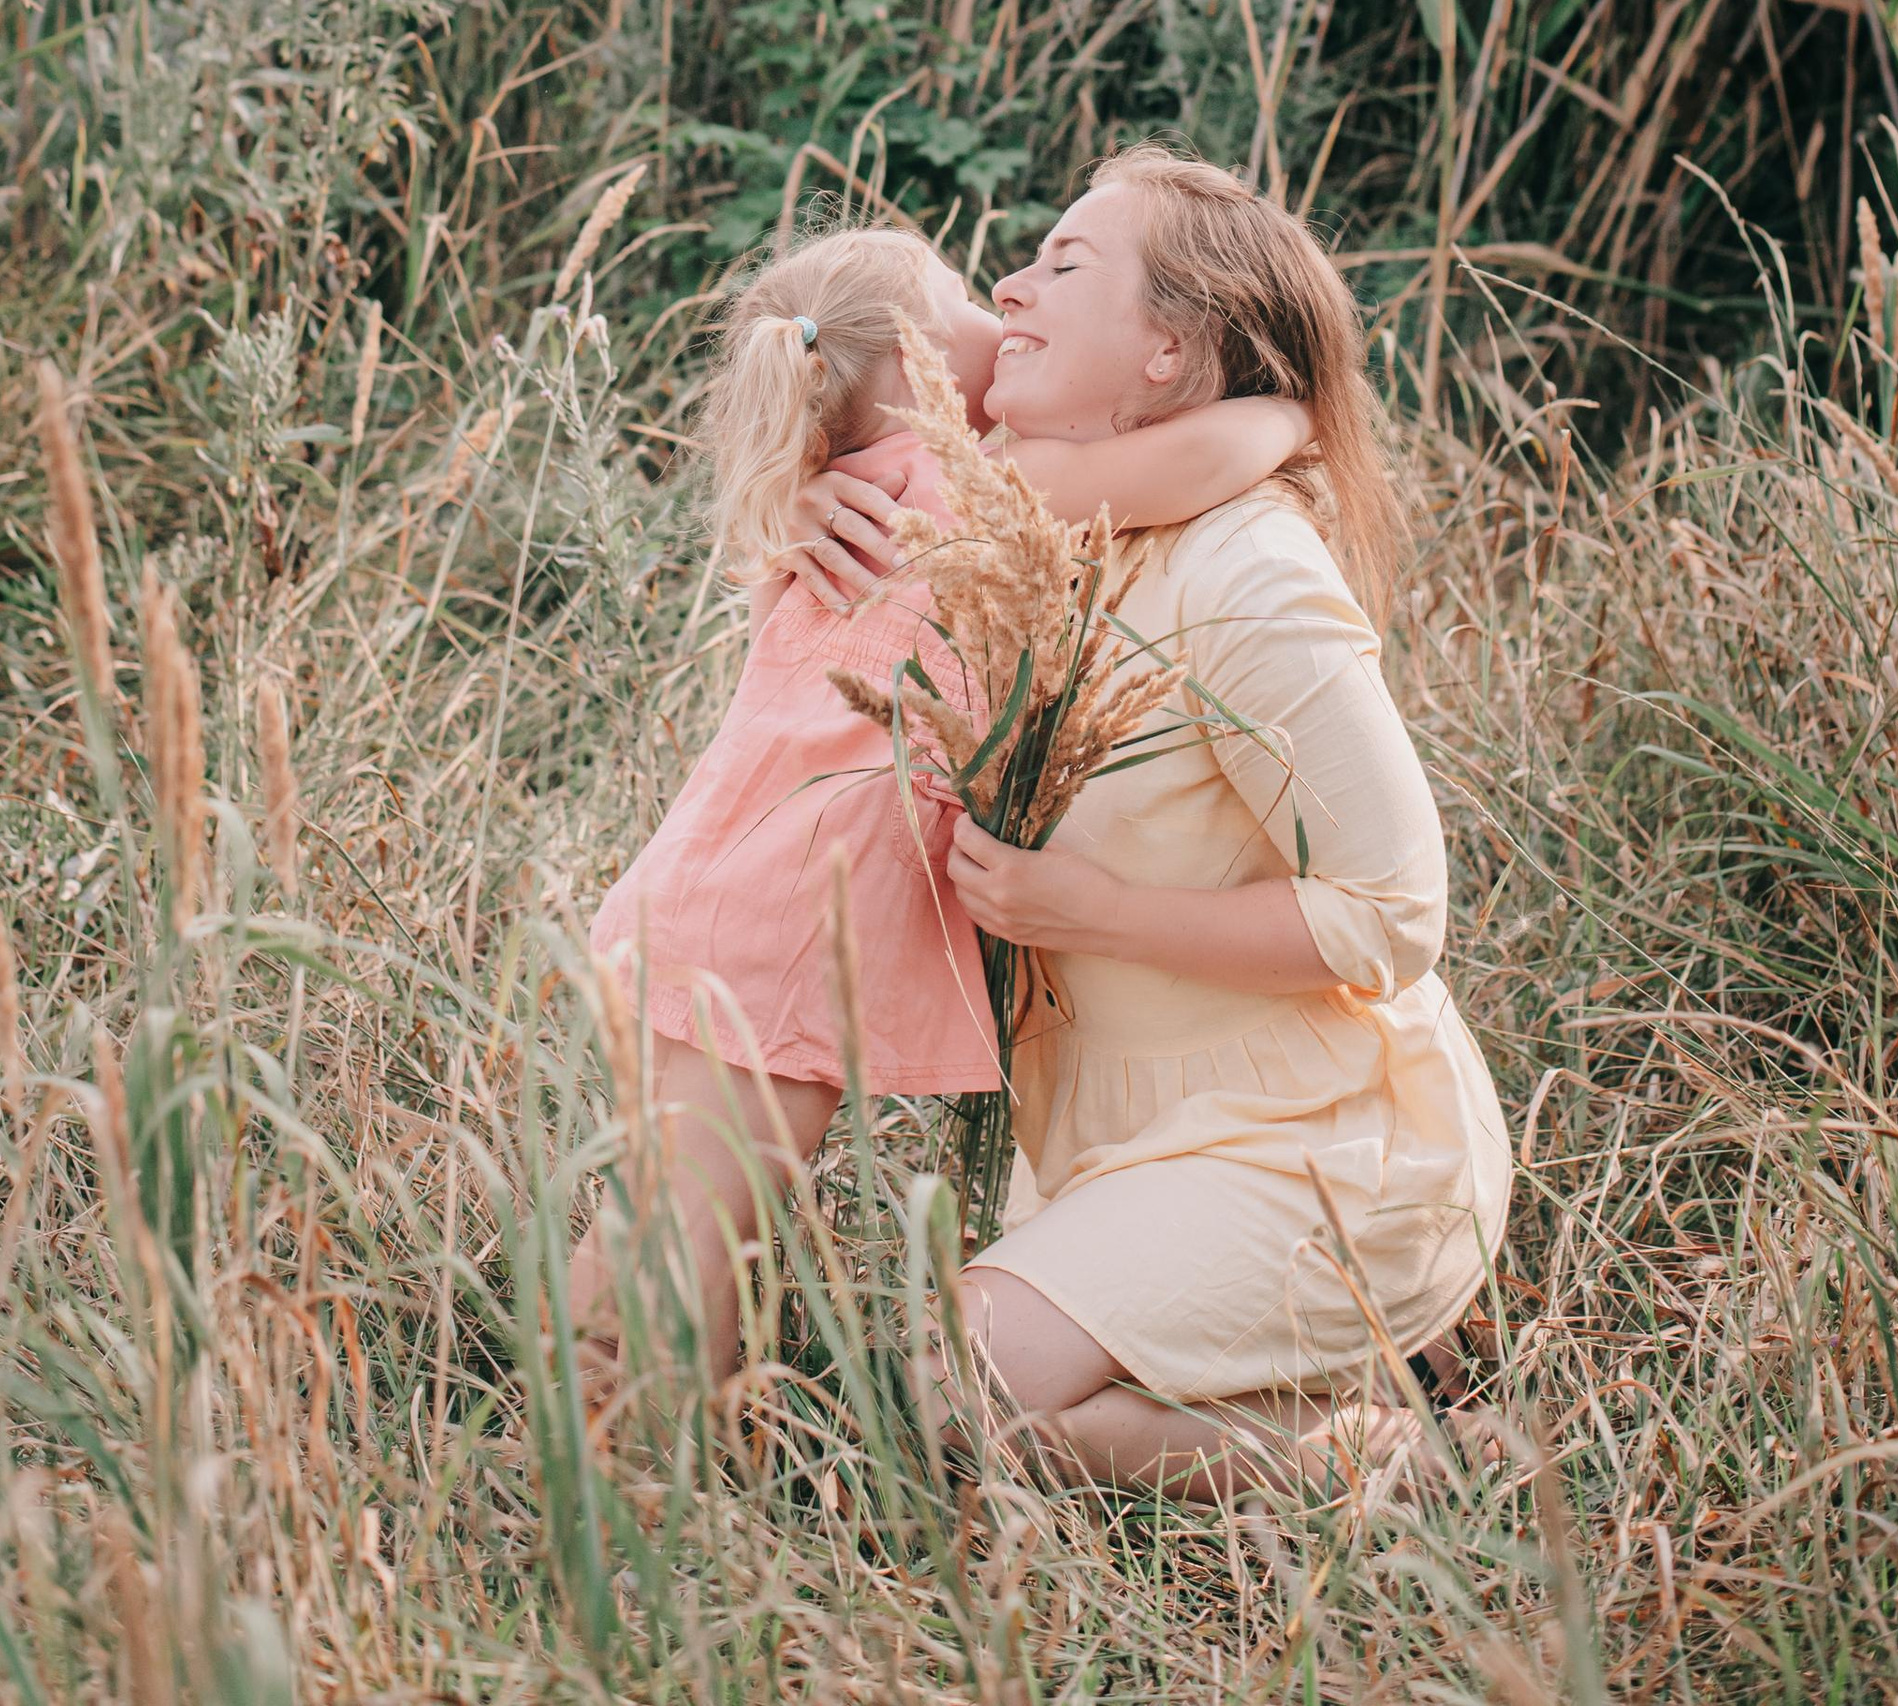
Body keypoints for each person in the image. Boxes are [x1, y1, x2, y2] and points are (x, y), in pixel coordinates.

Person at [785, 149, 1512, 1500]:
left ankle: (1389, 1457)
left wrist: (1092, 913)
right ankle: (1312, 1367)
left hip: (1315, 1135)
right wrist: (809, 492)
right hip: (1114, 1134)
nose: (1010, 280)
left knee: (949, 1400)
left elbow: (1396, 912)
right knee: (936, 1394)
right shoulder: (1033, 525)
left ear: (1170, 347)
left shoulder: (1245, 568)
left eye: (1066, 262)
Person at [573, 220, 1314, 1383]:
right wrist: (1291, 413)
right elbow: (1197, 464)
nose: (1004, 309)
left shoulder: (834, 488)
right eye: (968, 298)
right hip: (795, 905)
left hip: (730, 877)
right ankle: (593, 1442)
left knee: (688, 1198)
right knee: (691, 1226)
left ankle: (670, 1437)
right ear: (921, 364)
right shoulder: (989, 482)